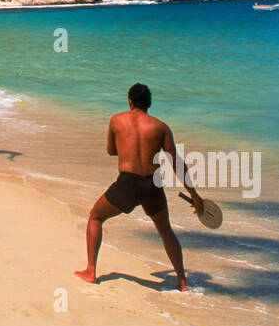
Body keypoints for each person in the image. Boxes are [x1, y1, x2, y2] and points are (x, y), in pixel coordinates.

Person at [74, 83, 204, 291]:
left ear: (130, 101)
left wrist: (127, 151)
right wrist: (195, 195)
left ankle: (91, 271)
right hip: (152, 185)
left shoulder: (117, 120)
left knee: (96, 217)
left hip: (127, 183)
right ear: (149, 104)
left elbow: (110, 151)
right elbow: (176, 162)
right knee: (165, 231)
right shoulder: (161, 127)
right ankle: (182, 281)